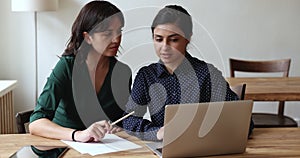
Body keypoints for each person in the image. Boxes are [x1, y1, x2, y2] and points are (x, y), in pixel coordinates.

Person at [123, 5, 254, 141]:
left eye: (173, 40)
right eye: (158, 39)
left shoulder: (208, 74)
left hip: (202, 148)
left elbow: (244, 122)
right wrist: (157, 132)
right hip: (162, 148)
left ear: (188, 38)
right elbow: (129, 120)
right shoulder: (146, 76)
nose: (164, 47)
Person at [29, 0, 132, 143]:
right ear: (87, 37)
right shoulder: (67, 66)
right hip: (62, 146)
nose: (116, 39)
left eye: (119, 31)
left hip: (101, 148)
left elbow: (124, 119)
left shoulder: (123, 72)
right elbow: (36, 123)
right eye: (108, 33)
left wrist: (120, 128)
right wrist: (77, 135)